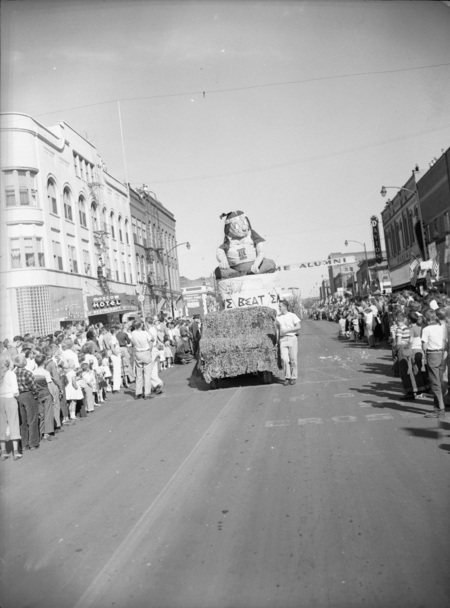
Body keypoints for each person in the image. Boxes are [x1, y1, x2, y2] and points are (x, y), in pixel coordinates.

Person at [421, 309, 448, 418]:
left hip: (432, 354)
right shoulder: (442, 328)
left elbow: (424, 345)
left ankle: (439, 409)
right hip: (441, 353)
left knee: (434, 382)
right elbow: (445, 341)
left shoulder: (426, 329)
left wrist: (424, 356)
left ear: (425, 318)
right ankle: (439, 406)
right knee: (440, 381)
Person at [14, 353, 40, 451]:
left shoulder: (13, 374)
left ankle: (24, 444)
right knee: (32, 419)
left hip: (18, 396)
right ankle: (33, 443)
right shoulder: (28, 373)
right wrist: (36, 395)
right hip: (28, 395)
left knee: (22, 421)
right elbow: (33, 386)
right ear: (24, 362)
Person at [0, 355, 22, 461]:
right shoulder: (11, 374)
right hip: (10, 398)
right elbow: (15, 390)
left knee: (1, 424)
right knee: (13, 422)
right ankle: (16, 451)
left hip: (0, 399)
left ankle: (3, 451)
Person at [33, 353, 59, 440]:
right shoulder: (45, 372)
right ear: (44, 362)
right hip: (46, 394)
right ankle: (47, 432)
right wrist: (54, 396)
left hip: (37, 395)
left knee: (41, 414)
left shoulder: (33, 373)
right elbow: (49, 386)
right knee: (48, 413)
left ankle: (41, 431)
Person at [276, 300, 301, 386]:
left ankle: (293, 377)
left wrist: (288, 330)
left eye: (280, 306)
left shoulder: (292, 315)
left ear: (285, 307)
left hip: (292, 338)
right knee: (284, 359)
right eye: (279, 306)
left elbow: (298, 326)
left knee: (293, 359)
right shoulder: (278, 318)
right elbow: (277, 330)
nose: (279, 308)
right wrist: (277, 341)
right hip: (282, 339)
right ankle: (287, 377)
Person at [130, 320, 155, 399]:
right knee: (147, 374)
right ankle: (147, 393)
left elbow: (132, 342)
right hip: (145, 352)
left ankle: (138, 392)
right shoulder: (145, 333)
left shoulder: (133, 333)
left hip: (138, 352)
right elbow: (153, 339)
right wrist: (147, 330)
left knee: (139, 374)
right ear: (141, 325)